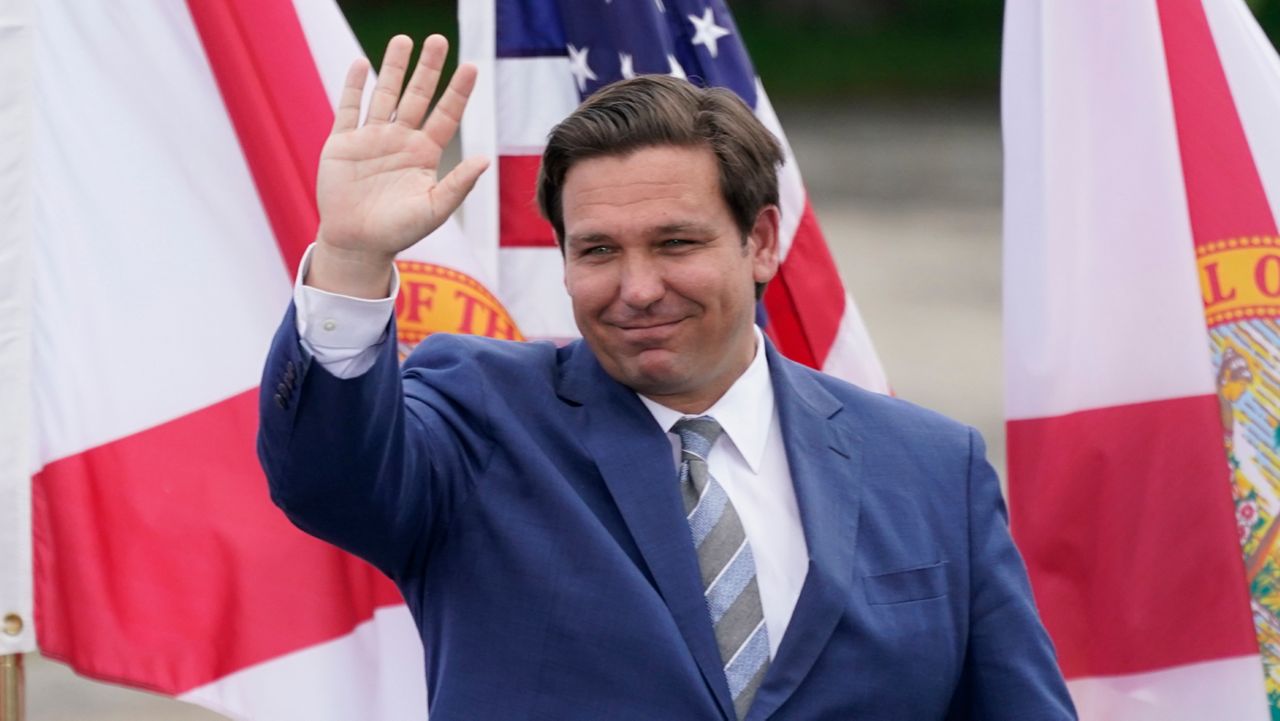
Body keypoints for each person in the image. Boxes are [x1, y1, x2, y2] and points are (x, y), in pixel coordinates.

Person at [258, 34, 1076, 721]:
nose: (638, 288)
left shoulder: (934, 469)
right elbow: (327, 479)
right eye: (599, 251)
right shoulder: (476, 419)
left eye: (675, 244)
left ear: (759, 242)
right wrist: (352, 260)